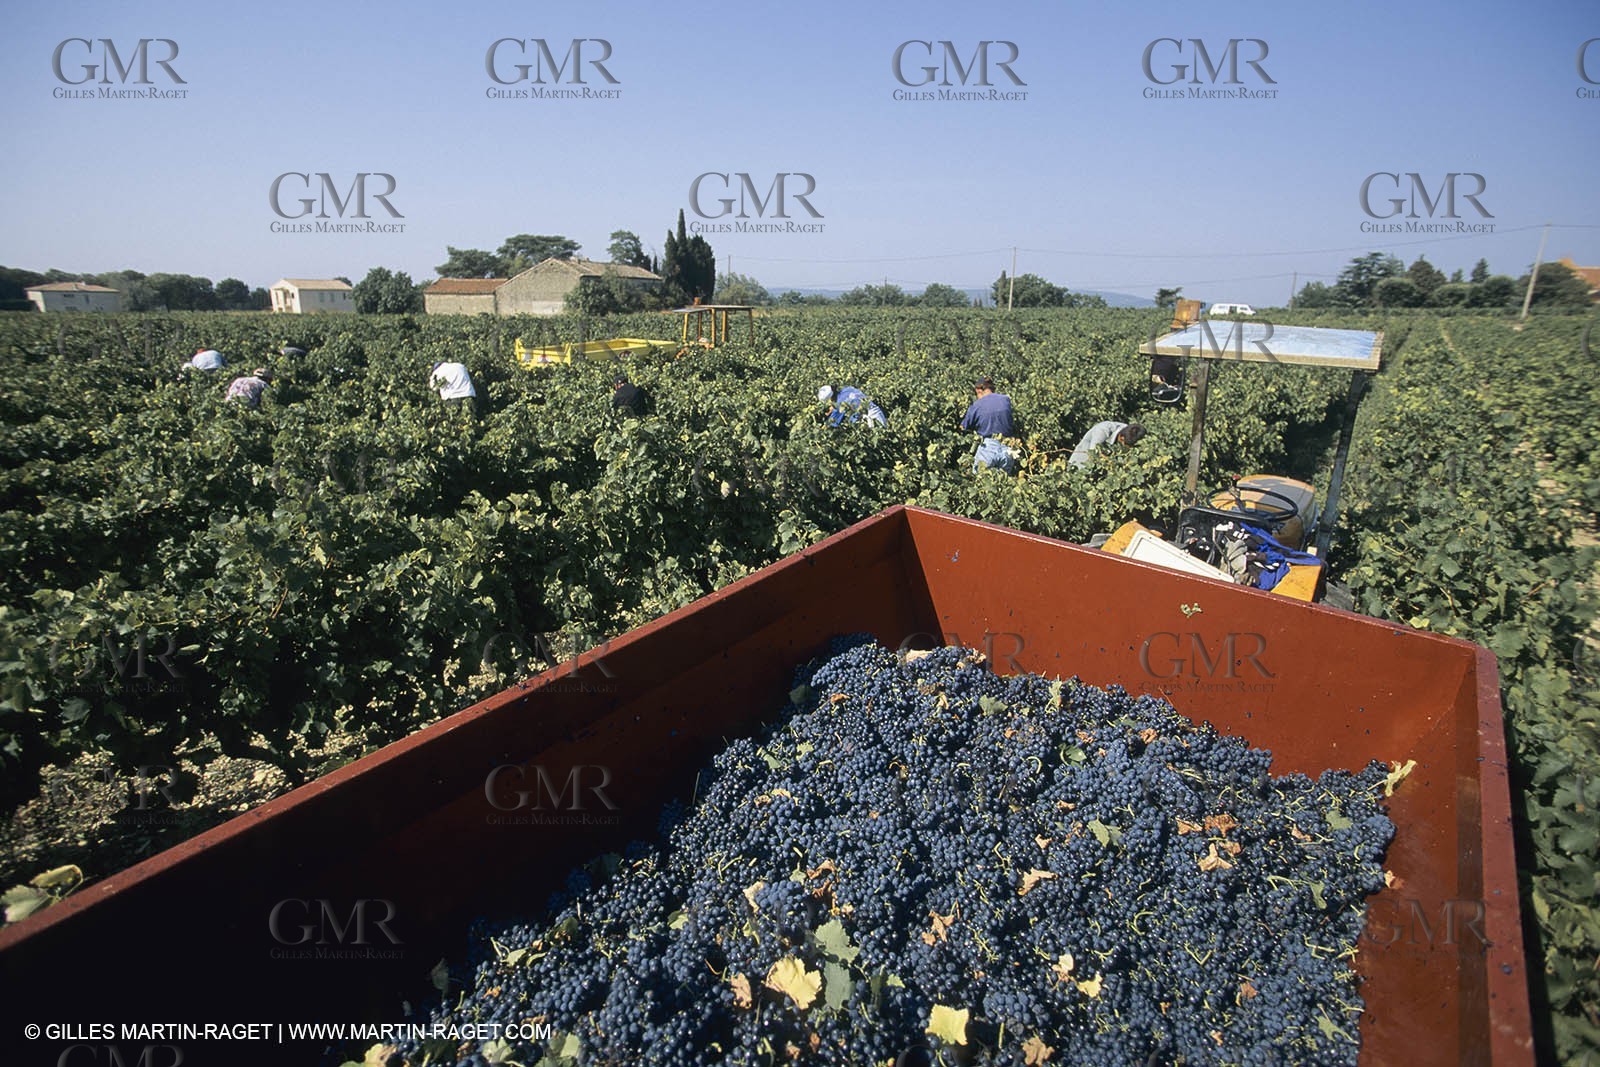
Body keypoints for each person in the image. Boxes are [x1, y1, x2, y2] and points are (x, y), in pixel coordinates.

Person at [960, 377, 1018, 474]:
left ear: (979, 390)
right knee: (1004, 481)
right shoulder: (1006, 399)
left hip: (988, 448)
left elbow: (963, 427)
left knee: (981, 479)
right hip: (1007, 449)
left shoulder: (977, 405)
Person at [1069, 421, 1146, 466]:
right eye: (1126, 445)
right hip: (1081, 462)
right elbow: (1093, 454)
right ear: (1121, 438)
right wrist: (1113, 463)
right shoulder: (1102, 430)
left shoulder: (1128, 431)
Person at [819, 384, 887, 428]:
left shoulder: (839, 404)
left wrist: (823, 428)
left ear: (830, 398)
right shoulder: (848, 389)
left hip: (868, 419)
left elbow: (833, 422)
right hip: (875, 411)